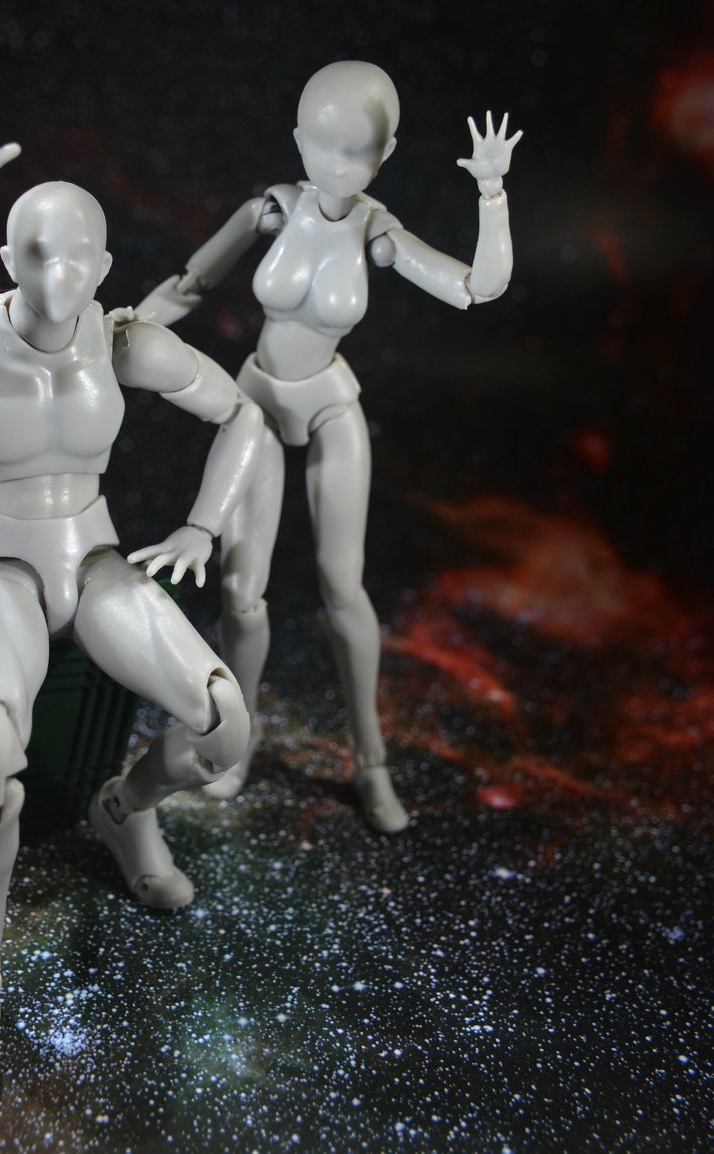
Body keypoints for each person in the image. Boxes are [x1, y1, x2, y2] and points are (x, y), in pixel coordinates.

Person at [0, 68, 261, 1116]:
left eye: (76, 256)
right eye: (35, 253)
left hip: (94, 561)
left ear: (102, 265)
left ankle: (122, 806)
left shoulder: (121, 336)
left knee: (225, 722)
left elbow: (239, 414)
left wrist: (200, 525)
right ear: (8, 258)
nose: (57, 275)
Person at [138, 61, 522, 833]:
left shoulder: (378, 232)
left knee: (343, 591)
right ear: (296, 138)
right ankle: (235, 741)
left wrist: (492, 194)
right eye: (321, 144)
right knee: (242, 592)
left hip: (330, 408)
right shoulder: (272, 210)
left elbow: (477, 288)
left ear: (386, 154)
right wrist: (124, 328)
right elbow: (187, 284)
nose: (337, 166)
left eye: (358, 151)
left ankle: (370, 761)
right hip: (254, 403)